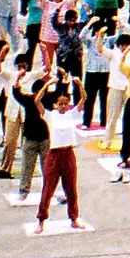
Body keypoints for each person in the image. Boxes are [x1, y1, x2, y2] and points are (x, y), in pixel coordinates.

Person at [35, 77, 89, 233]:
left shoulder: (71, 114)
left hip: (68, 153)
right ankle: (41, 220)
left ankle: (74, 217)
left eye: (66, 103)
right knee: (48, 187)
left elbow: (84, 98)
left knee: (71, 187)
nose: (63, 106)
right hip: (54, 154)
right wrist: (47, 84)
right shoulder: (51, 115)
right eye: (60, 104)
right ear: (55, 104)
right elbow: (37, 102)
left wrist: (79, 85)